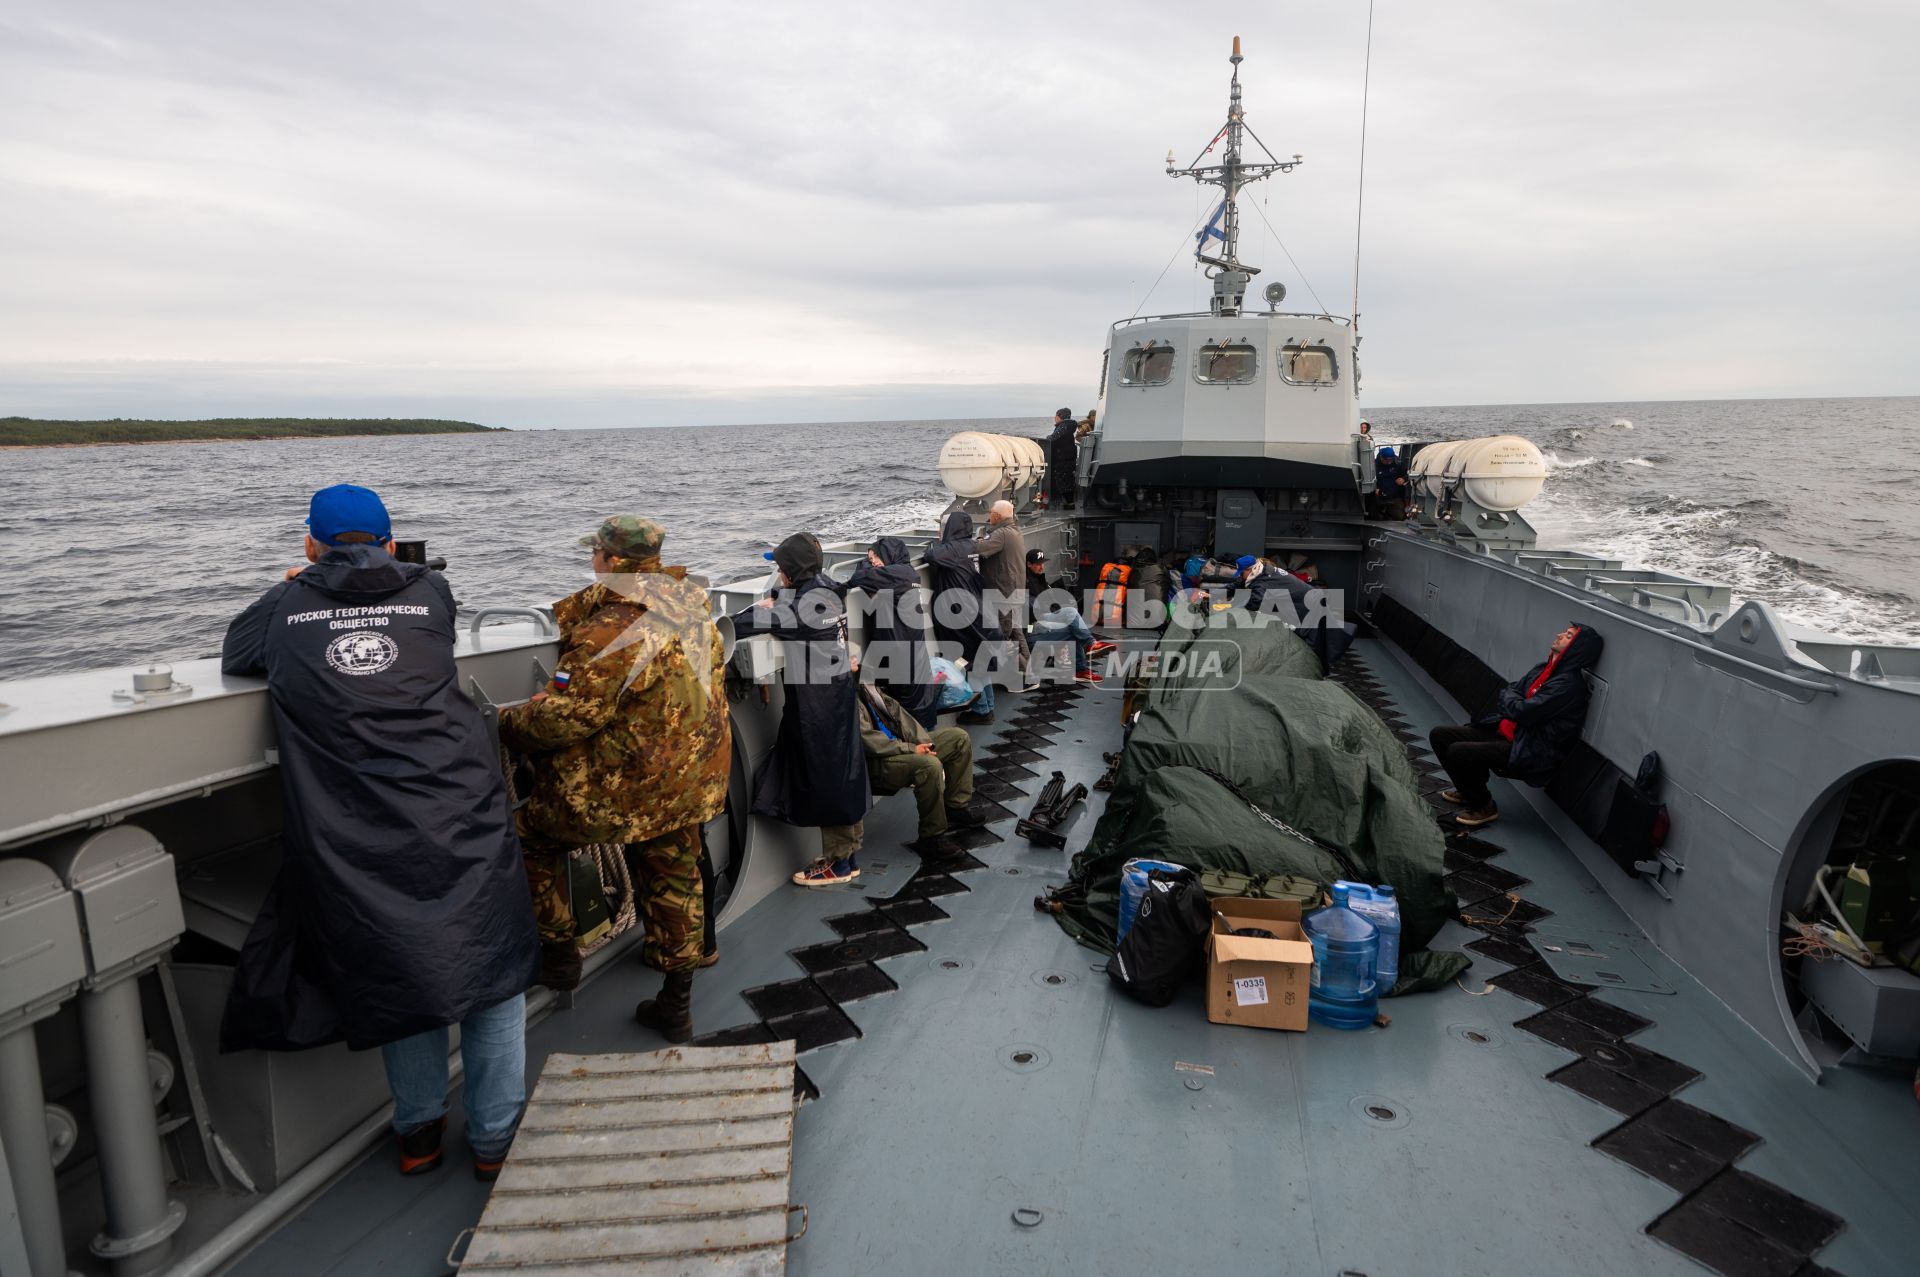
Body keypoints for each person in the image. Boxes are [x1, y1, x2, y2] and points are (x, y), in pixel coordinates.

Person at [219, 484, 538, 1182]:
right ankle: (494, 1142)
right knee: (491, 976)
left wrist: (297, 590)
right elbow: (425, 632)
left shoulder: (285, 604)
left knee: (403, 976)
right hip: (461, 813)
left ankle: (418, 1133)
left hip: (361, 833)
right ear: (391, 542)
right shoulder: (431, 590)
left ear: (310, 543)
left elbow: (236, 653)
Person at [499, 516, 730, 1042]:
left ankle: (559, 955)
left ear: (612, 561)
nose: (593, 561)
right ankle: (677, 1001)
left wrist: (506, 722)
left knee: (532, 835)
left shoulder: (611, 628)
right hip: (691, 778)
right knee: (676, 876)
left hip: (630, 788)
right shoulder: (693, 609)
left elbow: (570, 717)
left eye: (596, 554)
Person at [735, 532, 872, 887]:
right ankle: (849, 855)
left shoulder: (798, 611)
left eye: (781, 568)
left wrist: (763, 607)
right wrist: (779, 597)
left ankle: (839, 865)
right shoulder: (825, 589)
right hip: (839, 693)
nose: (779, 574)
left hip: (817, 705)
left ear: (792, 571)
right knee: (845, 771)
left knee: (827, 778)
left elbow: (743, 625)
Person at [1429, 623, 1606, 828]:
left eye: (1567, 636)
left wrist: (1513, 703)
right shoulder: (1543, 669)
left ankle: (1484, 806)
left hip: (1530, 747)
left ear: (1576, 648)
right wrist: (1514, 702)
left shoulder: (1568, 686)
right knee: (1440, 735)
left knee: (1460, 752)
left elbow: (1522, 712)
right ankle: (1467, 790)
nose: (1558, 635)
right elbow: (1512, 691)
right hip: (1509, 733)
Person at [856, 675, 984, 864]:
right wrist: (911, 749)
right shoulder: (850, 700)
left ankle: (955, 808)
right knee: (929, 766)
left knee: (959, 738)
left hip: (901, 748)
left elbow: (905, 721)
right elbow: (869, 742)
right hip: (879, 762)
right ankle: (931, 838)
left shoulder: (872, 691)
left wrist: (925, 745)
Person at [844, 535, 942, 727]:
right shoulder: (908, 573)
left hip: (900, 655)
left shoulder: (897, 573)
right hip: (910, 652)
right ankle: (925, 738)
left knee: (906, 705)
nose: (874, 565)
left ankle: (920, 744)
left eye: (875, 560)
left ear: (888, 556)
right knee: (916, 698)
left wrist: (865, 564)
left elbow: (858, 578)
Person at [925, 510, 1008, 724]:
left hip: (964, 619)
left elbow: (931, 556)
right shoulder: (971, 545)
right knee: (980, 663)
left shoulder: (953, 549)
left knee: (970, 662)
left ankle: (981, 711)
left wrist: (939, 541)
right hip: (978, 613)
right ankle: (987, 706)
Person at [1024, 548, 1108, 681]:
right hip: (1031, 629)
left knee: (1073, 626)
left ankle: (1081, 667)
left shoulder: (1040, 580)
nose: (1041, 566)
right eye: (1038, 564)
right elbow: (1030, 613)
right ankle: (1089, 646)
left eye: (1043, 563)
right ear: (1029, 564)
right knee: (1071, 615)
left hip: (1045, 622)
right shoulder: (1025, 582)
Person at [975, 500, 1028, 674]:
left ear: (997, 516)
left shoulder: (1002, 533)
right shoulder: (1014, 530)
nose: (989, 516)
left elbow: (980, 549)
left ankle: (1024, 676)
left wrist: (978, 540)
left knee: (1002, 637)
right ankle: (1029, 670)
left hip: (1004, 594)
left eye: (991, 513)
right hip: (1014, 592)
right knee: (1016, 634)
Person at [1046, 408, 1080, 509]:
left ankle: (1067, 504)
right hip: (1067, 458)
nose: (1054, 418)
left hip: (1063, 459)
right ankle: (1068, 503)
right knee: (1067, 480)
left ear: (1060, 416)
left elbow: (1053, 438)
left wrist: (1047, 438)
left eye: (1056, 415)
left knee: (1063, 481)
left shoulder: (1064, 426)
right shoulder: (1068, 426)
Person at [1375, 446, 1409, 519]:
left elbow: (1408, 474)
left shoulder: (1399, 464)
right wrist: (1375, 488)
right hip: (1378, 496)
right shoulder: (1374, 465)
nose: (1389, 462)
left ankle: (1389, 513)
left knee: (1400, 517)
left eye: (1390, 460)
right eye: (1386, 460)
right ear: (1381, 457)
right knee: (1373, 516)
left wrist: (1403, 479)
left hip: (1395, 497)